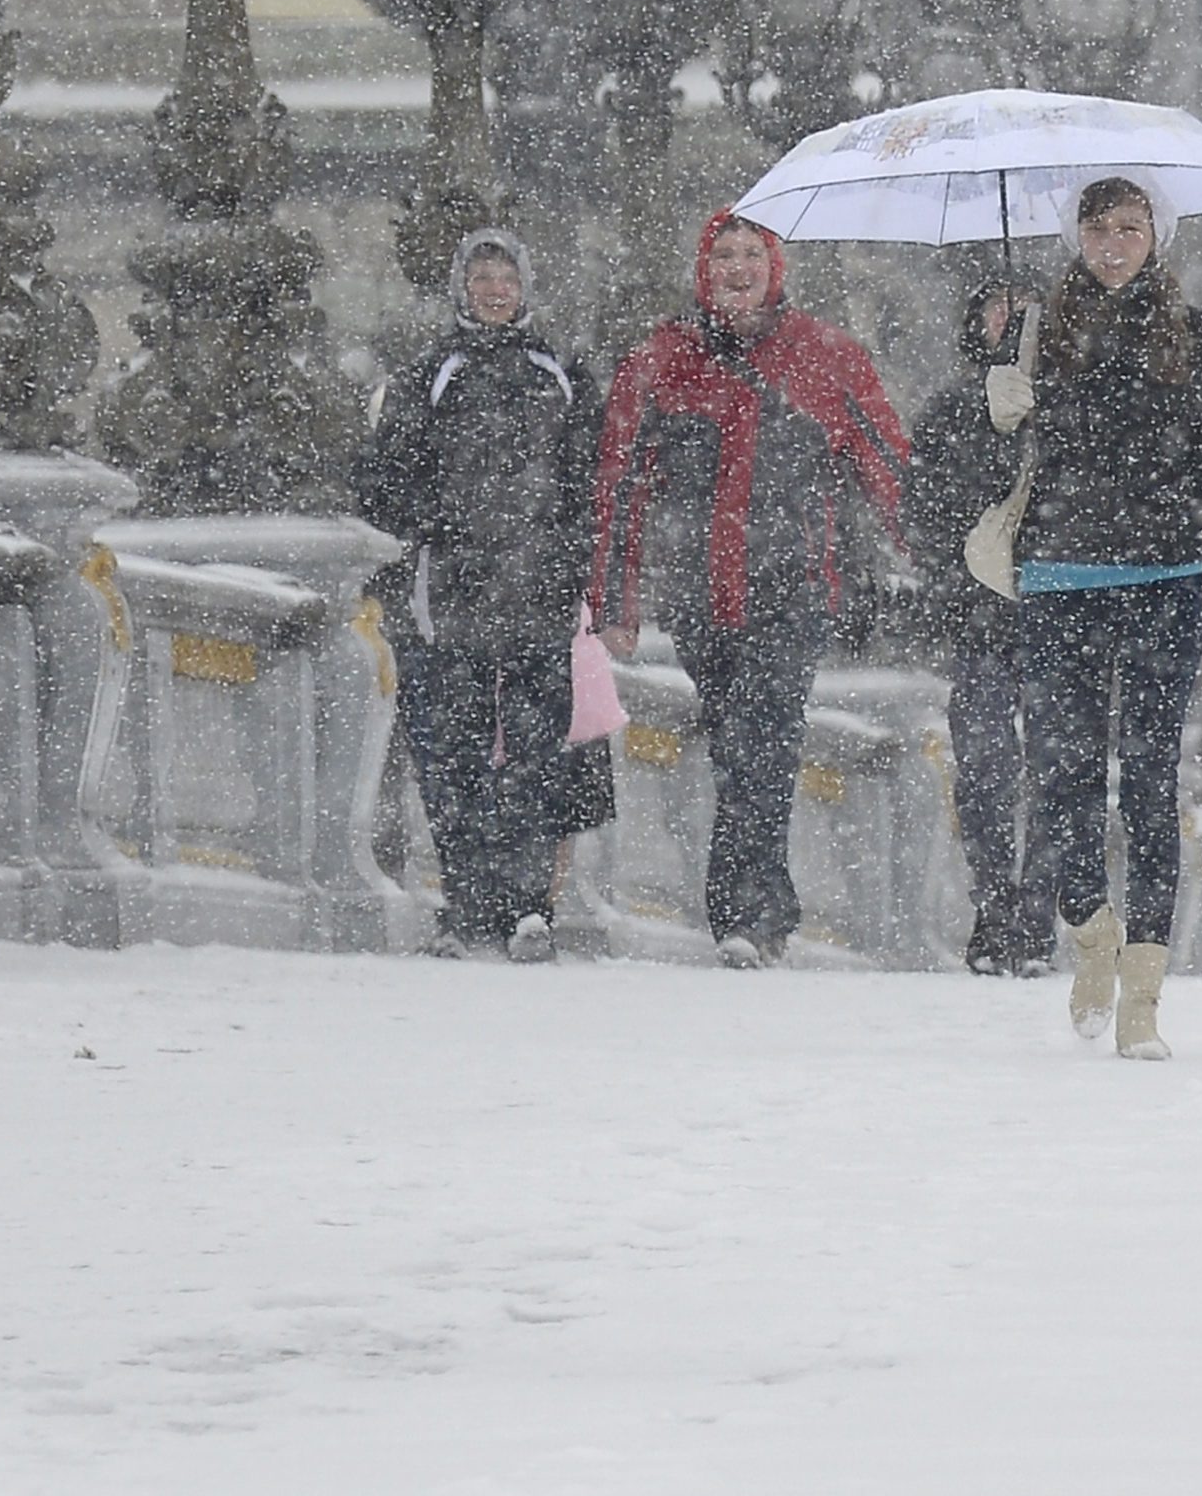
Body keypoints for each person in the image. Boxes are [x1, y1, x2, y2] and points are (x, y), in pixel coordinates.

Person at [973, 177, 1202, 1059]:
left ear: (1159, 233)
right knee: (1061, 776)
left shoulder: (1200, 338)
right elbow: (977, 465)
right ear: (1073, 234)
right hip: (1058, 578)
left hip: (1164, 581)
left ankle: (1144, 996)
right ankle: (1091, 931)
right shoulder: (1033, 329)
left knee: (1151, 778)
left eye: (1128, 226)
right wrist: (997, 399)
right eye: (1096, 227)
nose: (1111, 244)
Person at [589, 209, 910, 968]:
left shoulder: (827, 357)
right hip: (700, 594)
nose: (738, 267)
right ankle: (760, 901)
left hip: (794, 586)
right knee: (738, 741)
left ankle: (746, 911)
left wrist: (955, 559)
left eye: (752, 253)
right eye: (723, 253)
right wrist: (616, 601)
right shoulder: (662, 359)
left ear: (776, 266)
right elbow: (620, 483)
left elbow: (887, 467)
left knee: (766, 735)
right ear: (704, 269)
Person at [357, 229, 601, 960]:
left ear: (526, 287)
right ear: (461, 287)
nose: (496, 290)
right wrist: (436, 529)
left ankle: (528, 905)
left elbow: (591, 479)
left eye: (507, 277)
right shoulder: (432, 372)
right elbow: (386, 480)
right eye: (482, 276)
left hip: (538, 592)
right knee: (453, 752)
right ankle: (468, 901)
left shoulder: (559, 371)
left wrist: (567, 556)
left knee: (534, 751)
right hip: (453, 593)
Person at [905, 277, 1051, 975]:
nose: (1011, 316)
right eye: (997, 303)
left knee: (1059, 767)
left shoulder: (1072, 401)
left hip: (1058, 614)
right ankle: (994, 903)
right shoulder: (948, 408)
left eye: (1025, 304)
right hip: (980, 620)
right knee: (987, 767)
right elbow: (927, 510)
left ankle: (1041, 912)